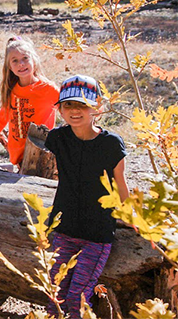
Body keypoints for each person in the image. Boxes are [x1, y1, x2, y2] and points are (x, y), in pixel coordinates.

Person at [45, 75, 129, 318]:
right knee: (55, 296)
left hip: (96, 233)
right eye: (69, 105)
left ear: (97, 107)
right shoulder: (58, 138)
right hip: (63, 229)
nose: (75, 111)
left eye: (83, 105)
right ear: (60, 108)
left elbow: (121, 185)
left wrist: (132, 218)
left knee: (77, 298)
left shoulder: (111, 144)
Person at [0, 36, 58, 169]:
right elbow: (0, 122)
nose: (21, 64)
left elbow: (69, 111)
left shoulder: (48, 89)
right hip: (19, 157)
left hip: (40, 155)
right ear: (9, 66)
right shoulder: (12, 91)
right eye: (15, 61)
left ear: (34, 59)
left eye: (25, 58)